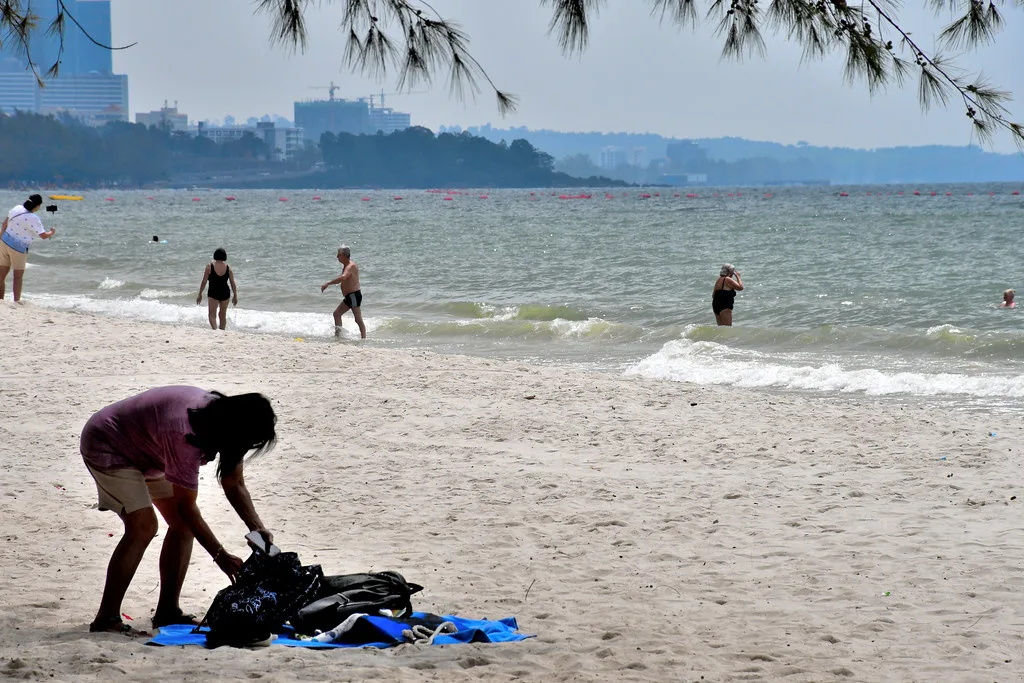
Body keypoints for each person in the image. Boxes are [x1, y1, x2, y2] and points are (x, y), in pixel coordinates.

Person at [80, 387, 277, 636]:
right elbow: (186, 507)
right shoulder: (185, 433)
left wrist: (256, 527)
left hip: (152, 450)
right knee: (143, 526)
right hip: (108, 442)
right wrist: (220, 555)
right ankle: (106, 618)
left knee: (182, 528)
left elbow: (234, 483)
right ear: (236, 430)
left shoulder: (226, 420)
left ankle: (167, 611)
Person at [0, 194, 56, 302]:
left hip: (4, 242)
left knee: (1, 274)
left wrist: (1, 236)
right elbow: (43, 236)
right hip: (18, 248)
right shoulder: (34, 218)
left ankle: (0, 299)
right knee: (18, 276)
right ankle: (16, 301)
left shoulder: (16, 208)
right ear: (37, 206)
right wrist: (51, 232)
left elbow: (5, 223)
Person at [320, 244, 366, 339]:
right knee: (336, 314)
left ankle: (364, 338)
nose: (337, 257)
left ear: (345, 255)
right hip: (349, 296)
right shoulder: (346, 265)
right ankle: (338, 336)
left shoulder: (350, 266)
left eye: (339, 254)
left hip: (353, 296)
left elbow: (344, 277)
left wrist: (328, 283)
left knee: (358, 319)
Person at [196, 248, 237, 330]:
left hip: (213, 292)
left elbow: (204, 281)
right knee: (222, 314)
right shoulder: (228, 268)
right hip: (225, 293)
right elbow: (232, 282)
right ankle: (222, 330)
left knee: (212, 314)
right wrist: (235, 295)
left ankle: (215, 329)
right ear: (225, 256)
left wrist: (200, 294)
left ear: (215, 255)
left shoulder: (209, 267)